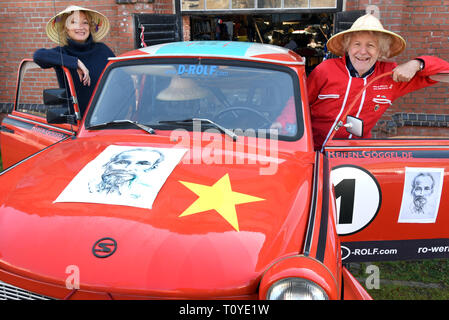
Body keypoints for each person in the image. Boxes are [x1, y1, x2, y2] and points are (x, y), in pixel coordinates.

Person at [275, 13, 449, 150]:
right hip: (315, 151)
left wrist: (416, 64)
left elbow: (444, 73)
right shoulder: (326, 70)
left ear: (381, 50)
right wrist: (281, 135)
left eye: (371, 45)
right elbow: (296, 104)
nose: (363, 52)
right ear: (348, 47)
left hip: (356, 156)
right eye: (357, 44)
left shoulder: (391, 75)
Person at [33, 5, 115, 117]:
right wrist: (75, 62)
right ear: (66, 29)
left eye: (85, 22)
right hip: (77, 123)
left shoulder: (103, 50)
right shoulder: (62, 53)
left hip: (106, 120)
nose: (80, 27)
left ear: (90, 27)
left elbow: (121, 80)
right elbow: (38, 56)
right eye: (73, 22)